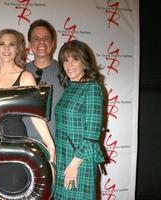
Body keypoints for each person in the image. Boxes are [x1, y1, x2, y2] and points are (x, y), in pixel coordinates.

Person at [0, 28, 55, 194]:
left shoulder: (25, 77)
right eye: (2, 44)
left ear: (18, 49)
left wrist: (50, 144)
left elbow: (36, 115)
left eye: (11, 44)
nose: (7, 49)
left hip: (14, 142)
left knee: (12, 188)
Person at [53, 40, 105, 199]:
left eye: (75, 59)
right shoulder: (70, 86)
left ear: (85, 61)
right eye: (65, 60)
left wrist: (74, 165)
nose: (69, 65)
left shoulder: (92, 88)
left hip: (78, 160)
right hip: (63, 157)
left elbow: (91, 136)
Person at [23, 19, 63, 142]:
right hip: (25, 146)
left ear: (53, 42)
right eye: (36, 38)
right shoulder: (19, 72)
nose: (41, 42)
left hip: (59, 146)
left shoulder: (66, 71)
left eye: (46, 38)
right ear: (29, 44)